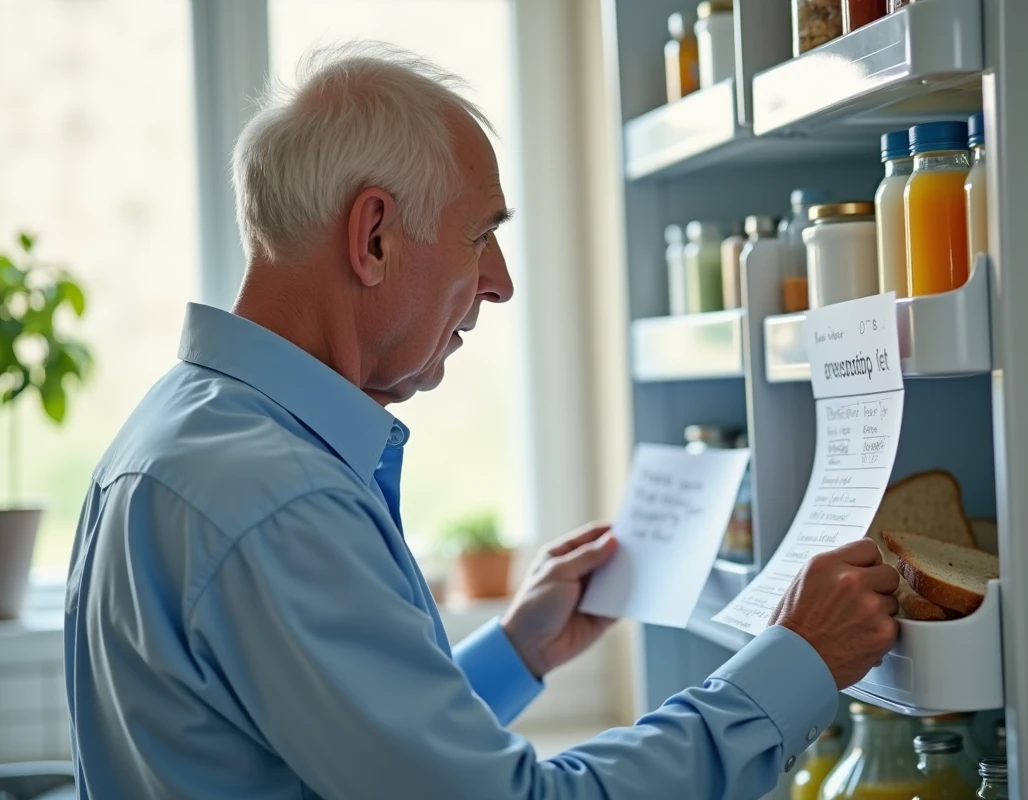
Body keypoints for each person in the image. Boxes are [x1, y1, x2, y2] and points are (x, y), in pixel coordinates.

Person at [64, 42, 899, 799]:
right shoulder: (277, 498)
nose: (499, 282)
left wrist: (516, 653)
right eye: (481, 236)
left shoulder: (181, 430)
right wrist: (797, 664)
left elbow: (320, 747)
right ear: (375, 237)